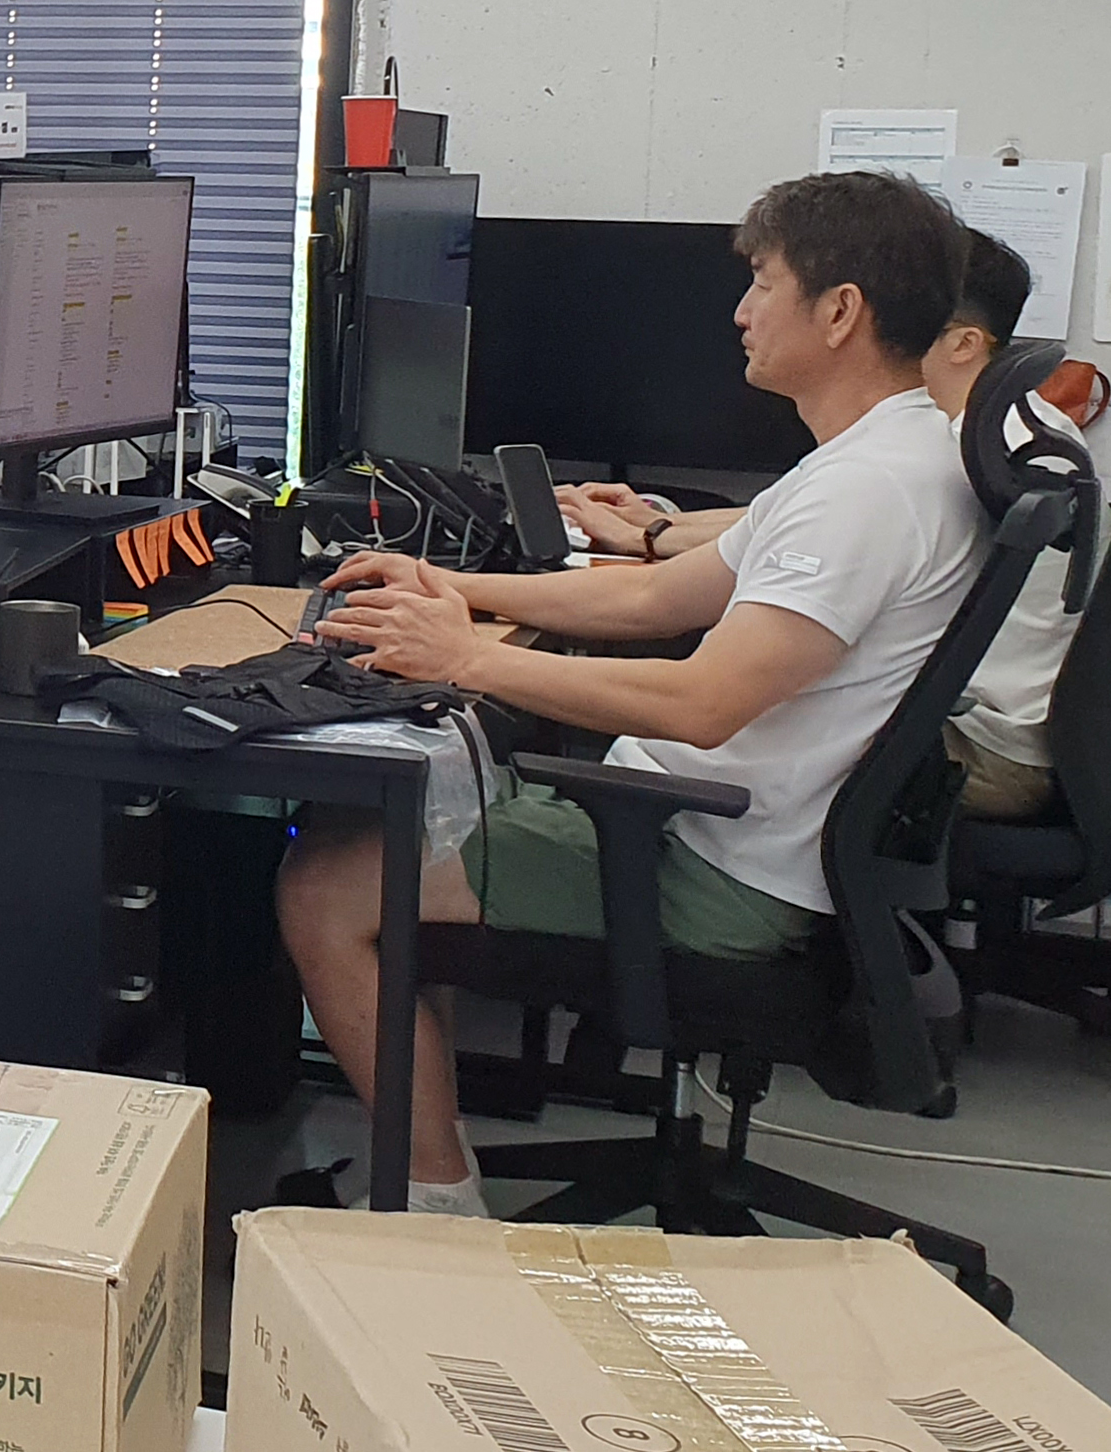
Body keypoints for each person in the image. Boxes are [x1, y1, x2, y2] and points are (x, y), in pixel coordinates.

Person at [279, 170, 987, 1214]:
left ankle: (434, 1205)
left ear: (839, 310)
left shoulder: (866, 491)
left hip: (712, 866)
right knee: (407, 820)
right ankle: (426, 1158)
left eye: (762, 283)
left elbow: (703, 703)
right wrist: (455, 590)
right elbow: (657, 593)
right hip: (731, 831)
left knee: (324, 884)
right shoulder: (889, 453)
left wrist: (464, 658)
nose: (740, 312)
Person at [563, 229, 1111, 821]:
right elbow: (787, 514)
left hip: (980, 750)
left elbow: (830, 523)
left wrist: (653, 537)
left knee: (729, 701)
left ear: (963, 344)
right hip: (990, 725)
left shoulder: (978, 449)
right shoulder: (1018, 428)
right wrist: (655, 527)